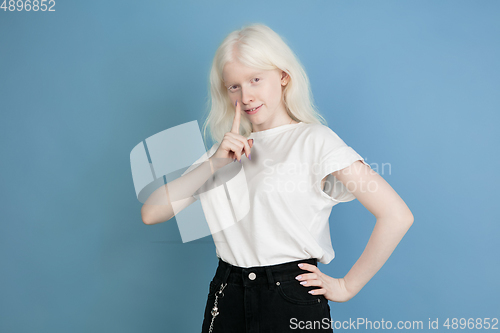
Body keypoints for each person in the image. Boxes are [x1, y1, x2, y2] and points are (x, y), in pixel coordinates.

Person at [141, 23, 414, 333]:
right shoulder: (226, 152)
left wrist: (347, 286)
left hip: (289, 298)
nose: (246, 96)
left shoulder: (314, 140)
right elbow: (152, 213)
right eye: (234, 86)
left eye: (256, 79)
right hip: (227, 293)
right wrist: (213, 163)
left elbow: (396, 215)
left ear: (283, 77)